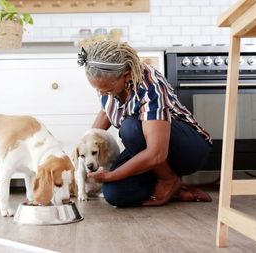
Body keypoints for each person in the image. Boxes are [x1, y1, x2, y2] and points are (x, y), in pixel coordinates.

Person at [77, 40, 213, 207]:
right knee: (114, 194)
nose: (102, 94)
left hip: (187, 148)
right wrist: (84, 145)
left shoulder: (150, 84)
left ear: (126, 75)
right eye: (98, 90)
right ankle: (178, 190)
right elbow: (107, 109)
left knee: (130, 128)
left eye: (107, 90)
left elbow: (156, 153)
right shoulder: (109, 83)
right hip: (147, 148)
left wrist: (111, 175)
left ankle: (168, 180)